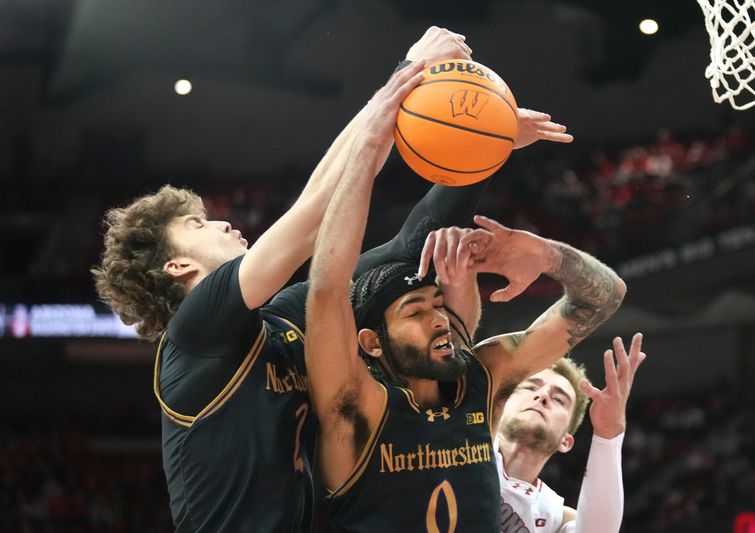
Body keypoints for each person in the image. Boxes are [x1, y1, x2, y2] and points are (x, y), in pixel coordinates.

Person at [91, 28, 572, 532]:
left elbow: (409, 250)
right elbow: (313, 215)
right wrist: (405, 76)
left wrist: (479, 153)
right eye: (197, 224)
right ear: (177, 266)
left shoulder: (280, 320)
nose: (222, 223)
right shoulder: (193, 337)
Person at [305, 75, 627, 531]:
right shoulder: (356, 406)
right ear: (371, 343)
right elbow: (326, 288)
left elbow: (605, 296)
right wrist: (372, 139)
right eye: (415, 312)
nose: (438, 319)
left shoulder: (479, 383)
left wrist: (543, 253)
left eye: (438, 304)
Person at [496, 334, 646, 533]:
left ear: (565, 441)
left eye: (559, 400)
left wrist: (608, 432)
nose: (542, 395)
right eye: (531, 387)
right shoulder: (457, 448)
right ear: (498, 409)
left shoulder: (554, 518)